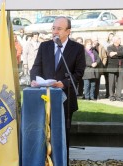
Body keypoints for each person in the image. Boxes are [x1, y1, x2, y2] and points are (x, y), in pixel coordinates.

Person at [30, 16, 86, 145]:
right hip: (43, 97)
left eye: (59, 29)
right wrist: (34, 80)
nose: (55, 31)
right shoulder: (44, 46)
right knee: (43, 135)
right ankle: (44, 163)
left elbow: (78, 73)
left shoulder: (77, 48)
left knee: (62, 137)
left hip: (65, 99)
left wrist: (64, 83)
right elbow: (36, 67)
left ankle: (61, 163)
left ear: (68, 31)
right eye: (53, 28)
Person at [106, 35, 123, 101]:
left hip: (121, 66)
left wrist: (115, 53)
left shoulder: (122, 47)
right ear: (115, 40)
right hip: (112, 66)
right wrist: (119, 55)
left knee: (120, 82)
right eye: (119, 39)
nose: (120, 40)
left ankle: (118, 96)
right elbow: (110, 55)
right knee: (111, 82)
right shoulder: (109, 47)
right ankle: (112, 96)